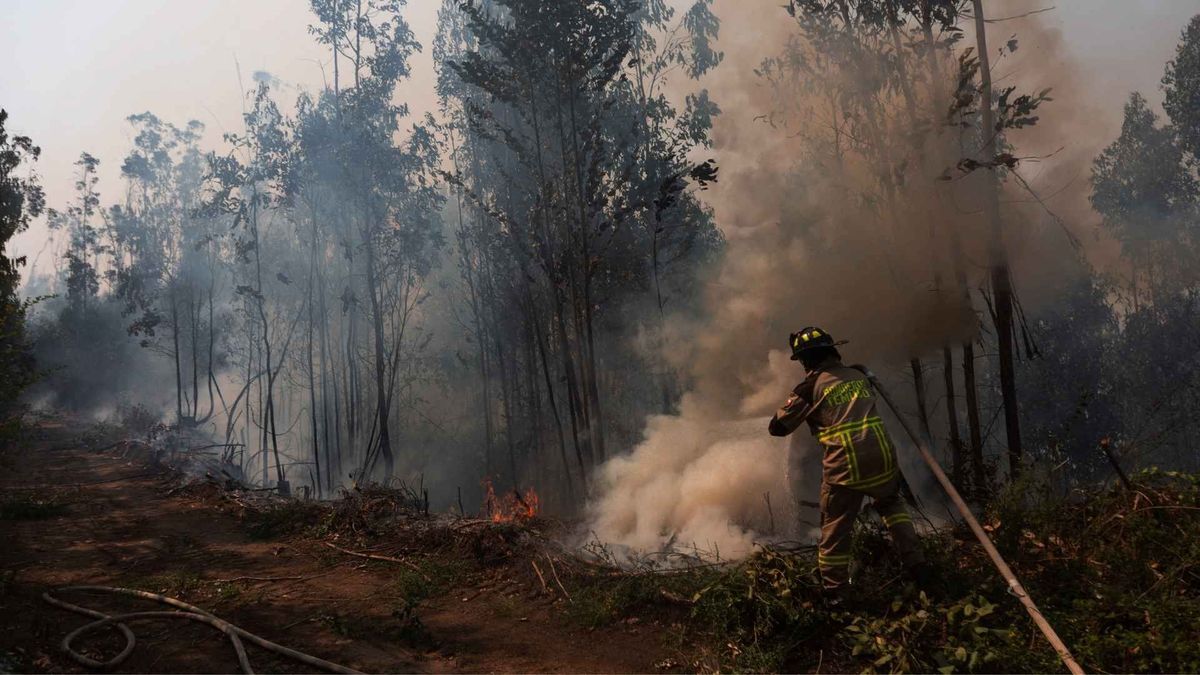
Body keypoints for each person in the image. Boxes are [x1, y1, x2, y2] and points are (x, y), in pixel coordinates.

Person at [768, 326, 929, 592]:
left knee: (834, 529)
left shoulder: (810, 388)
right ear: (833, 351)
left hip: (847, 465)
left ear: (807, 360)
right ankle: (918, 567)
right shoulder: (859, 376)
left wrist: (800, 405)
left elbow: (778, 428)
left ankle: (835, 593)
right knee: (892, 508)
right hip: (883, 457)